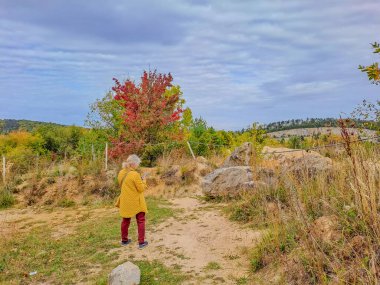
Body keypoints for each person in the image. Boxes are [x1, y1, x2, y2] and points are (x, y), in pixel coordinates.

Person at [116, 154, 148, 249]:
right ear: (133, 164)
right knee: (141, 220)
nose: (137, 166)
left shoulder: (121, 172)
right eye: (137, 164)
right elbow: (141, 188)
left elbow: (127, 184)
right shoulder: (135, 174)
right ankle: (141, 242)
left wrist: (139, 180)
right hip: (136, 201)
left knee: (125, 220)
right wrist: (144, 180)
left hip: (125, 200)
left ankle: (124, 240)